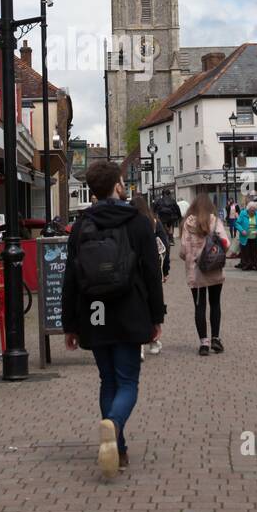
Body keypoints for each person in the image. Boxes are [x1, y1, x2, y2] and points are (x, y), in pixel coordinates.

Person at [62, 160, 164, 479]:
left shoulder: (80, 226)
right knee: (128, 381)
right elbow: (151, 272)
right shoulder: (136, 222)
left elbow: (70, 278)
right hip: (130, 309)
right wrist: (156, 316)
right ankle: (115, 426)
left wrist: (70, 323)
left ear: (91, 188)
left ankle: (117, 449)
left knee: (108, 380)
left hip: (94, 312)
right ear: (117, 184)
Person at [179, 194, 230, 355]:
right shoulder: (215, 221)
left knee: (199, 306)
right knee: (215, 304)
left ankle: (204, 343)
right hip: (214, 269)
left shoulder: (187, 224)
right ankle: (215, 338)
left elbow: (182, 251)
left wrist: (191, 257)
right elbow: (226, 244)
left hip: (196, 272)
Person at [132, 195, 170, 354]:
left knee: (137, 306)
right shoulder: (154, 222)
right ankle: (154, 341)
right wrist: (165, 270)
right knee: (153, 303)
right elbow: (164, 246)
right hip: (153, 268)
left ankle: (139, 345)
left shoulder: (130, 224)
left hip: (134, 271)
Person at [236, 201, 257, 271]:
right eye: (251, 210)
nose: (253, 212)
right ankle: (246, 265)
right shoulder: (243, 213)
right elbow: (237, 224)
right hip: (245, 236)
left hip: (254, 236)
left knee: (254, 252)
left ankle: (254, 265)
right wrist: (242, 230)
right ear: (248, 209)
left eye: (254, 210)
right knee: (245, 251)